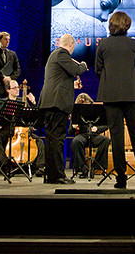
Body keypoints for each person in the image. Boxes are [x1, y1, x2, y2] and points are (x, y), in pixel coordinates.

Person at [95, 11, 135, 189]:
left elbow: (97, 69)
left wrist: (110, 83)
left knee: (116, 137)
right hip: (131, 94)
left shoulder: (103, 44)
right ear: (127, 25)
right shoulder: (133, 44)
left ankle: (120, 179)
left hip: (110, 96)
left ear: (111, 24)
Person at [37, 33, 88, 184]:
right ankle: (58, 175)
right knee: (57, 140)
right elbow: (76, 70)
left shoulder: (55, 55)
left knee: (52, 139)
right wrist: (84, 65)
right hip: (56, 104)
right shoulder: (62, 53)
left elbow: (58, 80)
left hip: (52, 102)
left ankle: (51, 175)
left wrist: (71, 85)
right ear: (71, 45)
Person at [49, 0, 123, 61]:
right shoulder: (95, 27)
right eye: (104, 5)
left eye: (109, 13)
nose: (105, 18)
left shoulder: (46, 16)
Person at [0, 79, 43, 174]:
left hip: (21, 131)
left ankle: (40, 167)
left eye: (18, 87)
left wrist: (33, 104)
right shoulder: (3, 103)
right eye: (14, 88)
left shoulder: (22, 101)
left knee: (39, 141)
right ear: (8, 90)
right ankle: (5, 165)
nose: (17, 90)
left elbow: (32, 118)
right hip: (7, 129)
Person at [70, 92, 110, 178]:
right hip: (82, 135)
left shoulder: (96, 110)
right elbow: (70, 132)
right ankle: (83, 169)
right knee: (76, 141)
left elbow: (106, 125)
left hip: (94, 135)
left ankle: (95, 167)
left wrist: (97, 128)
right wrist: (73, 127)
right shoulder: (76, 111)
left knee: (105, 140)